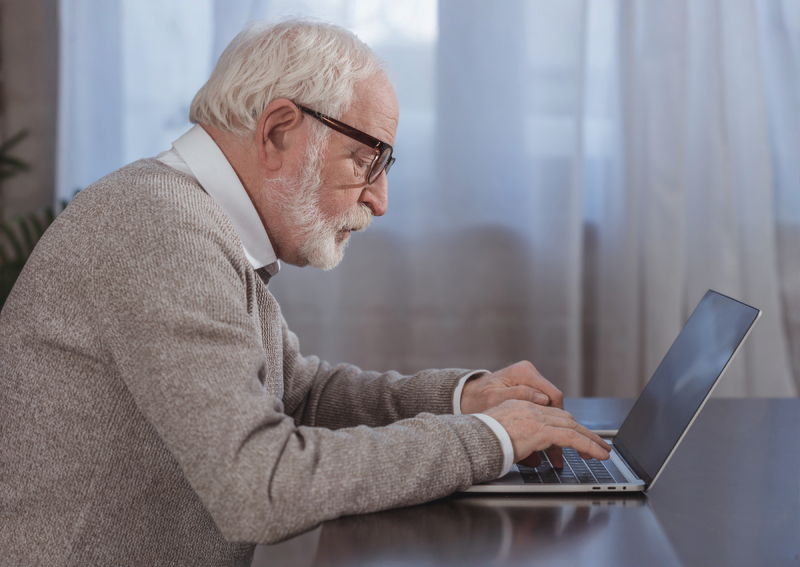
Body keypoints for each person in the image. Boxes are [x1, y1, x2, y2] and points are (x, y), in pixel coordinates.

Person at [0, 20, 609, 566]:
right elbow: (259, 488)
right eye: (365, 160)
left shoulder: (190, 218)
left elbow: (298, 394)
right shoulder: (160, 230)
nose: (379, 199)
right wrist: (490, 439)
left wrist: (463, 398)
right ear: (279, 131)